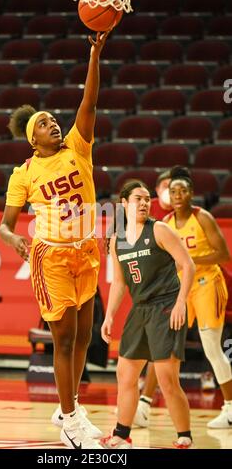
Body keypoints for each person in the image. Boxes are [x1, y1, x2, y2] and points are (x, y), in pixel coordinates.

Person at [0, 31, 111, 449]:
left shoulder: (79, 147)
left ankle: (73, 405)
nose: (54, 123)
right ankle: (67, 420)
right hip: (52, 257)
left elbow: (91, 102)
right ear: (33, 139)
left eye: (52, 118)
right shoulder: (23, 174)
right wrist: (12, 238)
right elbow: (5, 223)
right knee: (63, 339)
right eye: (44, 123)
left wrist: (95, 52)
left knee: (83, 337)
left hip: (86, 252)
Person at [100, 180, 195, 449]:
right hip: (139, 310)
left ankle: (184, 435)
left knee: (167, 380)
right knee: (125, 375)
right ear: (124, 204)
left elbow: (187, 266)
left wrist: (180, 302)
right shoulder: (117, 241)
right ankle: (121, 433)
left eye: (147, 199)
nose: (144, 203)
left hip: (166, 307)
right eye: (138, 198)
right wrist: (109, 317)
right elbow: (119, 284)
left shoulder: (160, 230)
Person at [165, 166, 232, 429]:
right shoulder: (166, 224)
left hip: (207, 283)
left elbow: (224, 254)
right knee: (166, 346)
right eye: (173, 191)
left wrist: (189, 261)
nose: (178, 194)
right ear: (168, 196)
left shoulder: (202, 217)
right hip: (183, 289)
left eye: (182, 190)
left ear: (191, 193)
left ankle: (229, 409)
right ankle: (146, 404)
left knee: (212, 347)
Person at [133, 169, 173, 427]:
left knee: (214, 349)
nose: (172, 192)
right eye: (167, 186)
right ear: (157, 190)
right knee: (155, 347)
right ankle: (144, 404)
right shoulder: (150, 215)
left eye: (176, 187)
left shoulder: (193, 215)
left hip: (194, 288)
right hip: (162, 292)